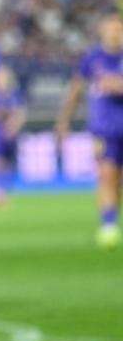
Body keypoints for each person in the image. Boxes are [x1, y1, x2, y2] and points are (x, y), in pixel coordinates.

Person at [56, 14, 123, 248]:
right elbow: (76, 90)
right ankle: (108, 225)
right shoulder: (92, 58)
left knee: (117, 180)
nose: (114, 32)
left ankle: (111, 217)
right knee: (106, 173)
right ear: (102, 29)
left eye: (118, 27)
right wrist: (64, 121)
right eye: (111, 27)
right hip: (103, 128)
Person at [0, 65, 26, 208]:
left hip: (10, 135)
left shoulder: (14, 94)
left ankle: (4, 192)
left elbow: (20, 113)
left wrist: (13, 126)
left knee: (9, 164)